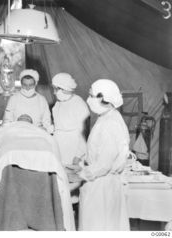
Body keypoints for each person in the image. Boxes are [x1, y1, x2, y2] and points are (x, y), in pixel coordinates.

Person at [78, 79, 130, 231]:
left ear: (103, 98)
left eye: (91, 95)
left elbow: (104, 165)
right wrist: (82, 162)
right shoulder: (107, 117)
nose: (88, 99)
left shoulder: (109, 124)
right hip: (105, 185)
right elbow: (99, 152)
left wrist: (80, 174)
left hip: (101, 187)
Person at [51, 73, 90, 166]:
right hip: (59, 147)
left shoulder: (79, 104)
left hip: (74, 149)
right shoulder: (57, 105)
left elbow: (85, 134)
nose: (54, 92)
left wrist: (78, 155)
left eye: (56, 89)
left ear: (64, 89)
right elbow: (59, 125)